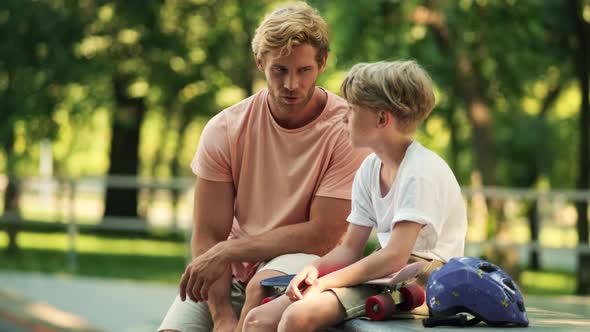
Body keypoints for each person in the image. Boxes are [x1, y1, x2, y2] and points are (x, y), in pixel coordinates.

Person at [158, 2, 369, 332]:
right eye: (280, 70)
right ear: (260, 63)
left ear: (322, 63)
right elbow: (209, 234)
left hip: (301, 262)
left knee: (258, 306)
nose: (291, 85)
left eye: (304, 71)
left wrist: (228, 250)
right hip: (229, 270)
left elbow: (322, 235)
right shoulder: (225, 129)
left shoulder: (347, 131)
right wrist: (221, 316)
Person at [242, 60, 468, 332]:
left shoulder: (420, 172)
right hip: (384, 272)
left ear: (382, 119)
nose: (343, 117)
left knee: (297, 317)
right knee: (259, 319)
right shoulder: (370, 168)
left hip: (421, 282)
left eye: (351, 109)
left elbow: (396, 256)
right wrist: (315, 269)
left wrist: (327, 282)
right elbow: (350, 248)